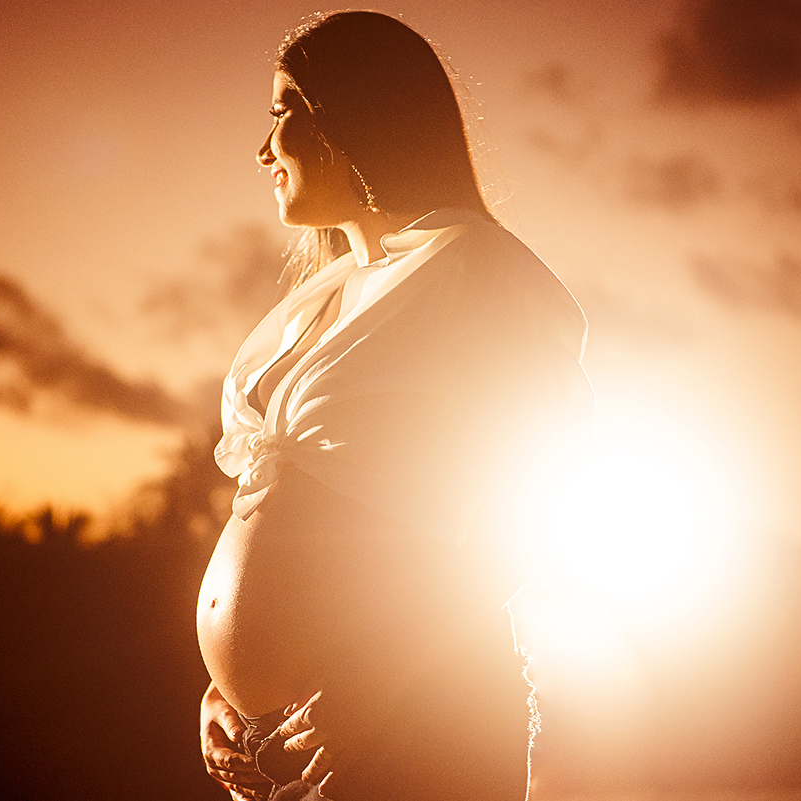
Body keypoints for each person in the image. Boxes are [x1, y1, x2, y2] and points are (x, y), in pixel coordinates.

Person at [196, 11, 593, 801]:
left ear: (354, 113)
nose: (263, 147)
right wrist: (229, 690)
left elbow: (550, 499)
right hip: (290, 735)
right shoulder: (325, 299)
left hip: (413, 712)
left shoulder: (479, 269)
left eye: (284, 112)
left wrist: (393, 670)